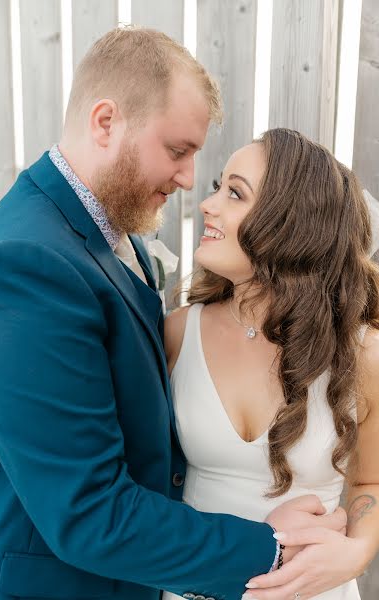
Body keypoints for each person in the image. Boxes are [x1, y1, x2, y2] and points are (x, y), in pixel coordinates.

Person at [0, 29, 346, 600]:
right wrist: (266, 548)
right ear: (106, 122)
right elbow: (88, 512)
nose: (190, 180)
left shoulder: (118, 238)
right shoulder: (26, 262)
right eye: (177, 151)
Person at [163, 128, 379, 600]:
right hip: (193, 588)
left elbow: (371, 479)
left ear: (290, 224)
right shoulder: (178, 333)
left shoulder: (363, 354)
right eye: (220, 186)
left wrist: (358, 552)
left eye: (235, 193)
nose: (208, 203)